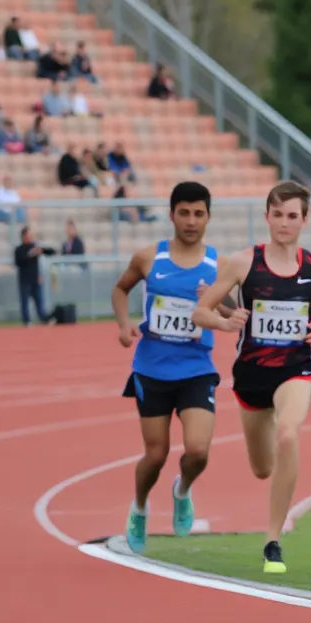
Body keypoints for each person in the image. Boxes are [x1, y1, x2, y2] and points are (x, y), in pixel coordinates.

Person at [193, 180, 311, 574]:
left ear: (304, 220)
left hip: (296, 368)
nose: (285, 223)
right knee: (262, 467)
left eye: (293, 216)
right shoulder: (243, 263)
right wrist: (225, 319)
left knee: (288, 433)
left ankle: (273, 538)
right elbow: (201, 312)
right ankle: (272, 523)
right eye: (278, 215)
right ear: (267, 217)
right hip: (251, 376)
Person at [111, 181, 232, 554]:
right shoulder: (149, 258)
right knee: (156, 453)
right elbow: (121, 289)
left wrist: (213, 306)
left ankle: (182, 490)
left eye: (199, 213)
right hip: (152, 369)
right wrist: (123, 324)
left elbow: (232, 312)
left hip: (196, 368)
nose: (191, 221)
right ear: (172, 214)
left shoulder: (220, 266)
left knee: (198, 451)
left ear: (208, 217)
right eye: (184, 212)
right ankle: (140, 507)